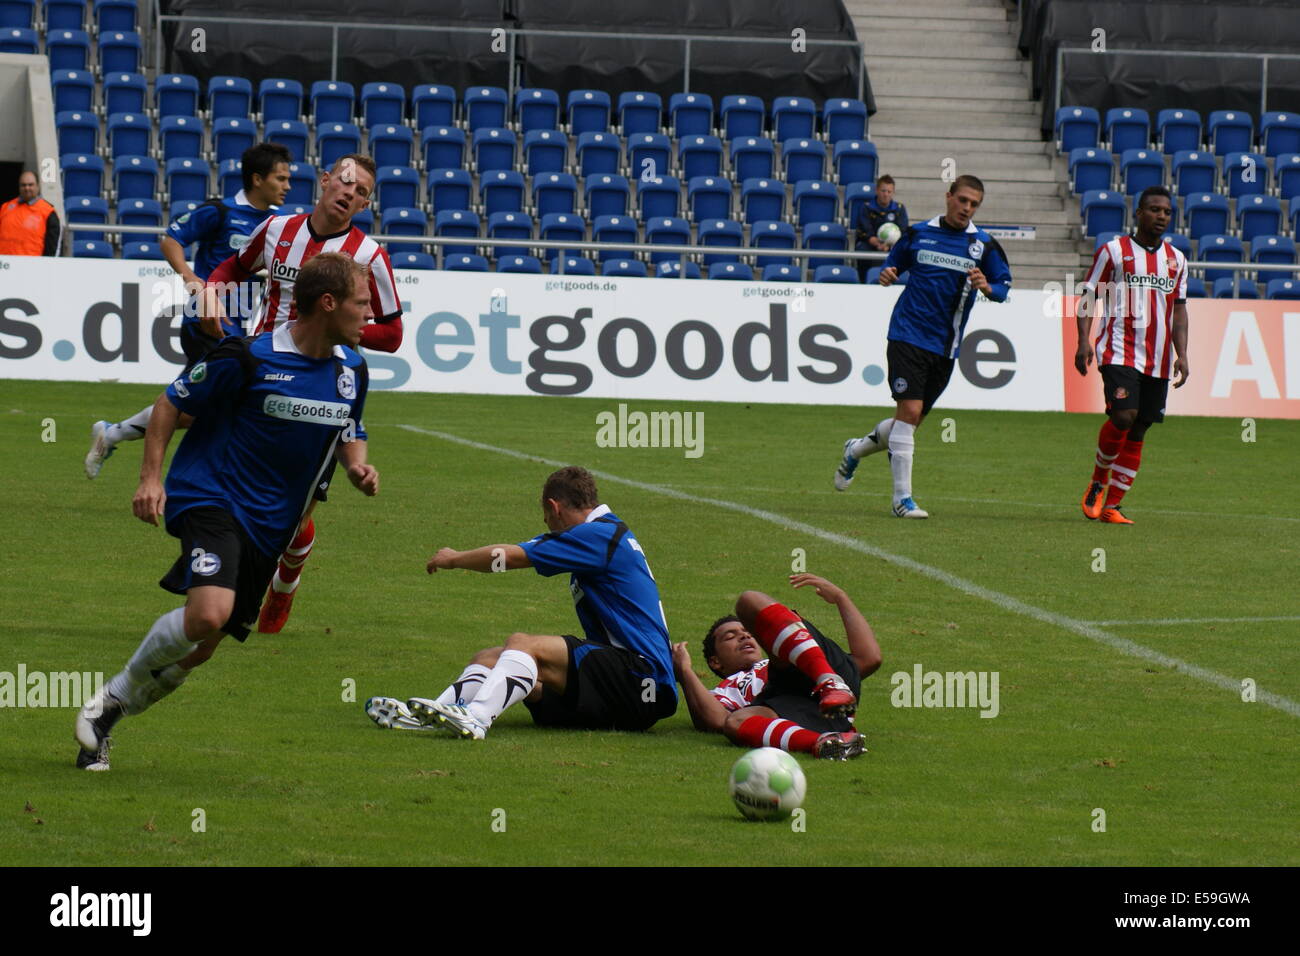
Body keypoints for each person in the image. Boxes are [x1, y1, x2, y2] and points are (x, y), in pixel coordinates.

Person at [74, 253, 379, 771]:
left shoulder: (352, 370)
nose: (370, 315)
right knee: (208, 613)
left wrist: (357, 467)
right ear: (328, 304)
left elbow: (349, 427)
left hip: (271, 527)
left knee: (201, 649)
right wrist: (150, 478)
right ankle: (111, 694)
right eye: (362, 303)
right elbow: (172, 403)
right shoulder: (248, 357)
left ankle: (105, 722)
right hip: (212, 497)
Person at [204, 151, 404, 635]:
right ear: (325, 180)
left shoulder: (370, 256)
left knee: (296, 511)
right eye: (345, 182)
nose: (350, 194)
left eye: (362, 193)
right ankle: (222, 587)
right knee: (233, 484)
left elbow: (393, 334)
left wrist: (348, 330)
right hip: (260, 373)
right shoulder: (277, 230)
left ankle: (284, 585)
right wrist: (211, 294)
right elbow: (231, 269)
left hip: (323, 388)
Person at [365, 466, 678, 740]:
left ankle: (476, 718)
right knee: (489, 659)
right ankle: (432, 716)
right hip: (625, 689)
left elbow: (508, 557)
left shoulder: (598, 535)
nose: (548, 526)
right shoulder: (607, 534)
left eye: (546, 518)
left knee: (523, 645)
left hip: (641, 681)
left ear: (554, 507)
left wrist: (454, 559)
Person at [84, 142, 292, 479]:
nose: (287, 186)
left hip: (238, 329)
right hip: (205, 321)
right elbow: (171, 239)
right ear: (257, 179)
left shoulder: (279, 225)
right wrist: (191, 277)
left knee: (193, 405)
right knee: (219, 401)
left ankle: (112, 434)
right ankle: (199, 477)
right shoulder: (220, 212)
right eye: (281, 179)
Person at [834, 174, 1012, 518]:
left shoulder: (984, 245)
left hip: (946, 346)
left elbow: (1004, 287)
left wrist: (988, 287)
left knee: (908, 423)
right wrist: (888, 274)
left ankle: (855, 450)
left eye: (974, 204)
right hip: (907, 334)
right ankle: (902, 499)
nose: (967, 208)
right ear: (949, 197)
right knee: (910, 413)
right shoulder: (918, 234)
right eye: (962, 200)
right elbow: (893, 264)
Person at [672, 574, 879, 761]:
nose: (744, 635)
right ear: (715, 661)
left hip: (809, 667)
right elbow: (715, 721)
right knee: (735, 723)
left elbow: (869, 658)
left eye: (748, 632)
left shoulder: (791, 647)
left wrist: (841, 598)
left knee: (748, 600)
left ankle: (828, 681)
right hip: (799, 709)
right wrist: (685, 671)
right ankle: (826, 743)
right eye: (730, 636)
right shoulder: (726, 689)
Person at [1076, 185, 1189, 524]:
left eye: (1167, 212)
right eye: (1155, 210)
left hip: (1157, 357)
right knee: (1124, 416)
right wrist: (1083, 339)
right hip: (1119, 348)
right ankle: (1098, 481)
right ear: (1139, 213)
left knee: (1139, 429)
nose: (1161, 216)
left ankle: (1112, 505)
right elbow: (1088, 294)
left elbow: (1180, 311)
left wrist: (1182, 353)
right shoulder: (1113, 251)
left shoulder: (1177, 259)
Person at [855, 174, 908, 280]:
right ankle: (864, 280)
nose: (886, 195)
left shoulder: (899, 209)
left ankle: (897, 280)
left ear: (893, 193)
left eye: (889, 192)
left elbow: (903, 230)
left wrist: (889, 245)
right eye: (883, 191)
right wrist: (874, 241)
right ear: (877, 190)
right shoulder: (866, 207)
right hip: (871, 243)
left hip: (893, 245)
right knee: (861, 249)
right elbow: (864, 230)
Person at [0, 170, 60, 256]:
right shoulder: (5, 207)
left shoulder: (48, 212)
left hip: (31, 266)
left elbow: (52, 248)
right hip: (5, 265)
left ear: (38, 186)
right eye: (23, 185)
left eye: (30, 185)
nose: (27, 188)